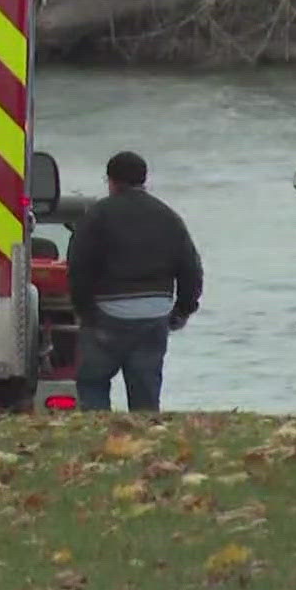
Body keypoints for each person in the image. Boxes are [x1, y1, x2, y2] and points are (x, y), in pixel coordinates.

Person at [65, 150, 203, 413]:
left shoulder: (97, 215)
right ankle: (144, 434)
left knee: (93, 380)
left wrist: (86, 313)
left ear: (111, 181)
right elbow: (190, 268)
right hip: (155, 310)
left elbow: (79, 268)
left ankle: (97, 432)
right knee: (145, 386)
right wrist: (182, 311)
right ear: (144, 179)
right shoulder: (168, 217)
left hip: (108, 312)